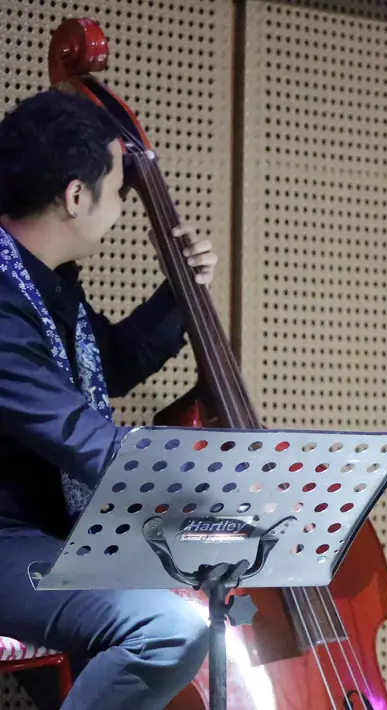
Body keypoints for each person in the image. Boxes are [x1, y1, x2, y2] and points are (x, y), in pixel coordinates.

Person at [0, 90, 215, 709]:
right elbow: (79, 435)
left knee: (199, 603)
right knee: (170, 626)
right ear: (75, 196)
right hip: (8, 538)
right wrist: (220, 492)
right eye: (119, 193)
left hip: (47, 536)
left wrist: (178, 296)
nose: (121, 209)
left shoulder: (43, 284)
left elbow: (106, 367)